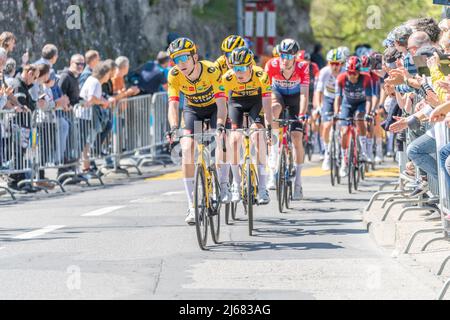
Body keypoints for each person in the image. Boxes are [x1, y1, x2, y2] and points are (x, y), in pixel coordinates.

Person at [166, 37, 227, 225]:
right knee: (186, 149)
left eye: (185, 57)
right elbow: (173, 105)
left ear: (195, 57)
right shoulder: (174, 75)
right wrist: (174, 128)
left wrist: (220, 125)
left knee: (220, 145)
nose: (181, 63)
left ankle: (222, 187)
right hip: (193, 110)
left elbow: (222, 103)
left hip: (214, 108)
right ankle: (192, 205)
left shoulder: (211, 70)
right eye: (177, 59)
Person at [223, 46, 273, 205]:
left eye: (243, 68)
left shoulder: (261, 75)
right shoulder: (227, 78)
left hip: (255, 104)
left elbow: (267, 104)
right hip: (235, 104)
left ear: (251, 66)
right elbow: (223, 104)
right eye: (235, 68)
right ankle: (236, 185)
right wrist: (223, 127)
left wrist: (269, 127)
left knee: (258, 137)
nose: (239, 72)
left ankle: (263, 187)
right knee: (234, 140)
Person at [265, 38, 310, 199]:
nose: (285, 59)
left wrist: (303, 114)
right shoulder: (271, 65)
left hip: (296, 99)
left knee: (296, 138)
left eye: (289, 56)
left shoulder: (303, 66)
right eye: (282, 55)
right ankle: (272, 166)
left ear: (295, 57)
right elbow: (265, 92)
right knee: (273, 109)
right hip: (278, 95)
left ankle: (298, 182)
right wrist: (267, 123)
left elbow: (305, 94)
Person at [335, 56, 373, 177]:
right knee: (345, 131)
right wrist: (336, 112)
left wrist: (367, 113)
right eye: (350, 73)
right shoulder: (341, 78)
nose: (352, 76)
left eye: (355, 73)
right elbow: (338, 97)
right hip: (347, 104)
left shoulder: (366, 78)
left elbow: (368, 99)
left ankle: (363, 150)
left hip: (361, 104)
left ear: (359, 71)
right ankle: (344, 162)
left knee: (359, 118)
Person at [315, 49, 345, 171]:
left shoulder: (345, 72)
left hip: (342, 97)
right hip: (328, 97)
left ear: (342, 64)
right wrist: (318, 106)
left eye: (337, 64)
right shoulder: (324, 72)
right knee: (326, 126)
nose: (334, 66)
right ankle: (327, 152)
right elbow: (319, 91)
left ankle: (343, 153)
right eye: (331, 63)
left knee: (343, 126)